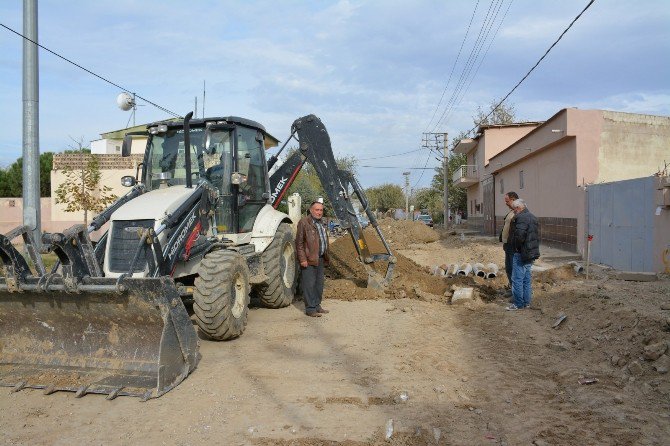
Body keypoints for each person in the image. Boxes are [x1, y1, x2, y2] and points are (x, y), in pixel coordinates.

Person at [296, 201, 330, 317]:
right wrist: (302, 259)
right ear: (311, 210)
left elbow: (323, 240)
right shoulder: (304, 222)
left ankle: (317, 305)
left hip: (320, 258)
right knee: (309, 284)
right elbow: (299, 243)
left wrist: (326, 256)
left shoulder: (322, 223)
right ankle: (310, 309)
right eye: (317, 210)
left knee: (319, 284)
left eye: (321, 210)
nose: (319, 212)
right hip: (309, 258)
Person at [506, 199, 540, 311]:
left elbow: (519, 236)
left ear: (518, 208)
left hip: (521, 253)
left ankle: (518, 304)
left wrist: (516, 248)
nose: (514, 212)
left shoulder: (521, 218)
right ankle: (527, 303)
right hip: (531, 253)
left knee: (517, 279)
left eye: (514, 209)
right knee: (526, 279)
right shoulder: (533, 217)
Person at [499, 191, 519, 297]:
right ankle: (512, 289)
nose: (506, 203)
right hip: (508, 245)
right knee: (509, 268)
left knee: (513, 268)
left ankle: (516, 292)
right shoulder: (511, 212)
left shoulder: (518, 212)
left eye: (507, 201)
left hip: (513, 246)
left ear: (513, 200)